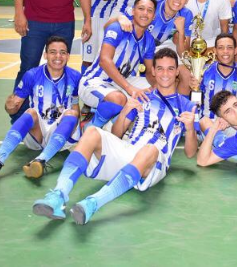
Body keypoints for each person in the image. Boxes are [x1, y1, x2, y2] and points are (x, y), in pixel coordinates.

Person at [32, 48, 198, 225]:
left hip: (154, 163)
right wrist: (125, 111)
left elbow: (190, 153)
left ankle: (93, 203)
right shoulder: (142, 97)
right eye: (160, 68)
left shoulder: (187, 105)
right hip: (129, 150)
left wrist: (190, 129)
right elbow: (116, 135)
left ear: (177, 71)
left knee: (150, 149)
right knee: (91, 132)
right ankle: (58, 195)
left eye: (170, 69)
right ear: (153, 71)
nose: (165, 74)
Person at [0, 36, 81, 179]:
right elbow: (12, 108)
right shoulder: (32, 75)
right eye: (53, 52)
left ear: (68, 56)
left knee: (72, 114)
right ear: (45, 55)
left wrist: (76, 127)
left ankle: (41, 160)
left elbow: (75, 105)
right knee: (30, 112)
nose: (58, 56)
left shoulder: (75, 76)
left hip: (61, 134)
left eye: (62, 52)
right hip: (37, 134)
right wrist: (10, 105)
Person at [79, 0, 157, 130]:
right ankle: (90, 127)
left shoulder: (149, 40)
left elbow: (150, 71)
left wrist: (156, 86)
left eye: (149, 10)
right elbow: (104, 61)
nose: (145, 13)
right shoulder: (118, 28)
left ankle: (111, 127)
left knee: (156, 92)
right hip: (95, 81)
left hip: (121, 82)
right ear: (133, 11)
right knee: (118, 98)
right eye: (141, 8)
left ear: (154, 16)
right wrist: (130, 88)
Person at [191, 33, 237, 175]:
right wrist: (194, 88)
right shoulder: (204, 70)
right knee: (205, 121)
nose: (225, 51)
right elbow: (195, 103)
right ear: (215, 51)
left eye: (229, 47)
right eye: (221, 48)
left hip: (231, 123)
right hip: (208, 124)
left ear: (236, 50)